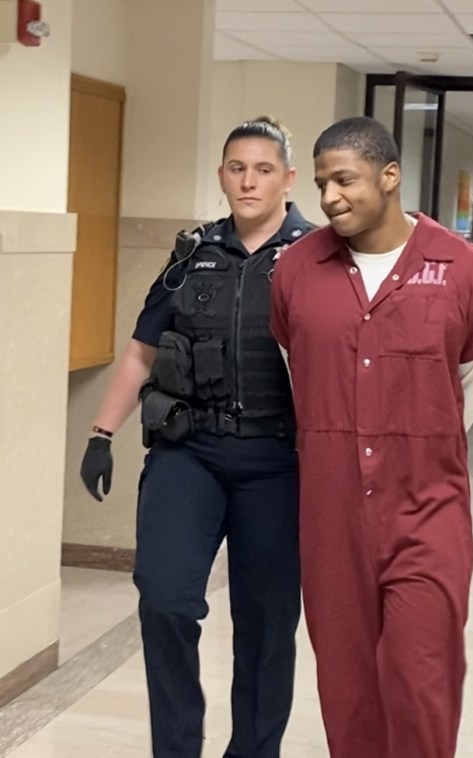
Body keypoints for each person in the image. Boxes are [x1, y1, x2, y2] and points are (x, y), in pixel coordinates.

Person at [270, 116, 473, 758]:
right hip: (331, 516)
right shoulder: (297, 269)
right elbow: (301, 370)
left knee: (421, 674)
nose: (329, 197)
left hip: (427, 511)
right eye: (321, 183)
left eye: (344, 180)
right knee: (346, 684)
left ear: (389, 176)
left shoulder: (462, 269)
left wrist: (415, 440)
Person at [79, 117, 314, 758]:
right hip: (191, 452)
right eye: (237, 167)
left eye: (264, 169)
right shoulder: (193, 254)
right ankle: (177, 748)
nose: (249, 180)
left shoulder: (320, 258)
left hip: (279, 462)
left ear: (289, 179)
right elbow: (140, 353)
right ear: (221, 175)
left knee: (266, 625)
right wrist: (102, 433)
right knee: (165, 600)